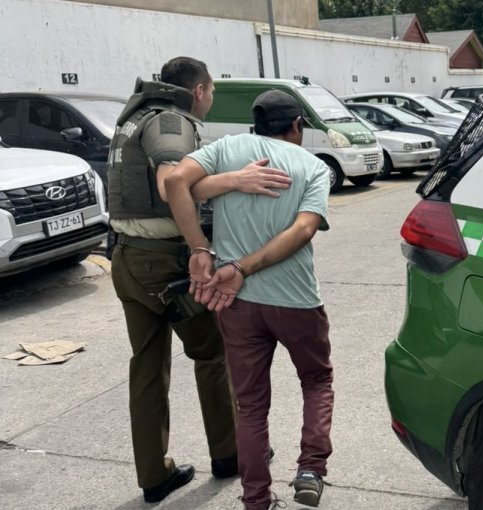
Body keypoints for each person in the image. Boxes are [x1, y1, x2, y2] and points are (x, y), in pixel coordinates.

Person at [106, 57, 293, 503]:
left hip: (127, 259)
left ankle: (153, 476)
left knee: (147, 369)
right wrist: (205, 237)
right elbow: (173, 183)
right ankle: (230, 455)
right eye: (211, 92)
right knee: (213, 354)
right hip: (167, 264)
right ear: (200, 90)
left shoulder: (132, 118)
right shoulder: (171, 121)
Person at [164, 90, 334, 510]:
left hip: (235, 303)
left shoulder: (227, 149)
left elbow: (173, 183)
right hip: (295, 300)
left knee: (251, 405)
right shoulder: (312, 166)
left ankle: (256, 500)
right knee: (316, 380)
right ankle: (311, 468)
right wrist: (245, 267)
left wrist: (199, 248)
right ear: (296, 125)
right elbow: (303, 231)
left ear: (255, 125)